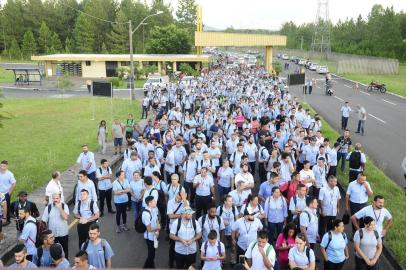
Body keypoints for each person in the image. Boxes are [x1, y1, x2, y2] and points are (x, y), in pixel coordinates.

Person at [41, 193, 69, 257]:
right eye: (53, 198)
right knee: (53, 252)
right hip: (52, 235)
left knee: (64, 251)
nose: (55, 200)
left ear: (60, 199)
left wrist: (60, 208)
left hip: (63, 234)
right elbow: (44, 221)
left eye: (57, 198)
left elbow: (65, 217)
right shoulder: (48, 207)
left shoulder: (64, 206)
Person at [167, 191, 189, 268]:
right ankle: (171, 262)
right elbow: (170, 216)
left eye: (181, 198)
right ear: (176, 195)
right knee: (172, 247)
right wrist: (182, 215)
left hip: (183, 228)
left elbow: (188, 213)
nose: (179, 199)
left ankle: (183, 262)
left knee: (183, 245)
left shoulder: (185, 202)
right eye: (178, 197)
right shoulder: (170, 202)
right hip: (173, 227)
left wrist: (184, 199)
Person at [142, 195, 160, 268]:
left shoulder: (154, 209)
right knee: (151, 254)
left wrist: (157, 229)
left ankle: (150, 266)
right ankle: (147, 267)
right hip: (149, 237)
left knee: (152, 253)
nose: (156, 202)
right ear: (150, 203)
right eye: (154, 201)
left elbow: (156, 219)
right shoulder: (146, 214)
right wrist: (157, 227)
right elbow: (149, 229)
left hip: (154, 235)